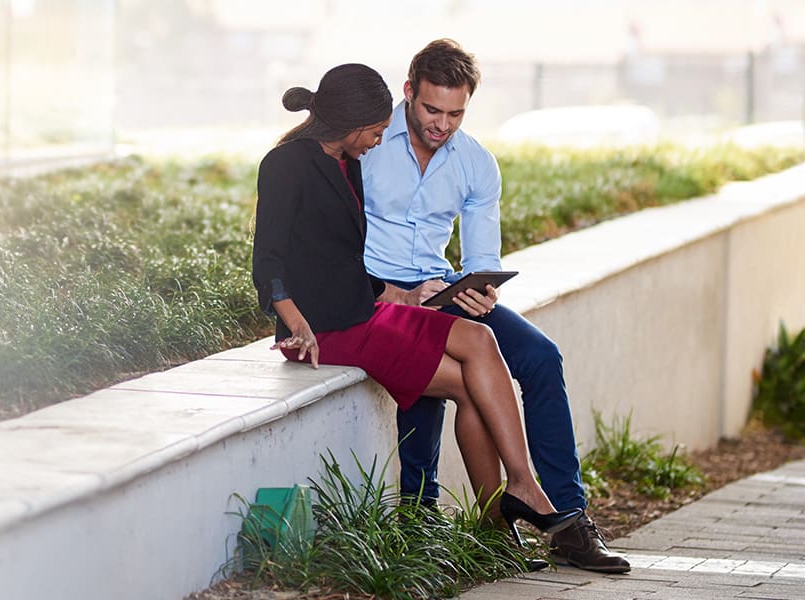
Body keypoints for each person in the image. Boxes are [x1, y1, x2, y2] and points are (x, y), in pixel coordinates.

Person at [253, 63, 581, 549]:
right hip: (324, 328)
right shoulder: (285, 163)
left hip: (364, 309)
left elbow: (340, 260)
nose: (379, 139)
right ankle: (497, 515)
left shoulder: (349, 163)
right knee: (471, 386)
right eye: (376, 130)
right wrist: (297, 323)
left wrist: (401, 295)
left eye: (456, 113)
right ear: (353, 120)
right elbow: (269, 261)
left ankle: (520, 490)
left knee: (482, 338)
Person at [359, 39, 630, 574]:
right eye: (431, 109)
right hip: (377, 291)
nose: (442, 124)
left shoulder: (476, 163)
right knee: (435, 376)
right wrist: (380, 290)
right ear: (409, 92)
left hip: (441, 287)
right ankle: (422, 515)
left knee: (541, 357)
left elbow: (483, 255)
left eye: (455, 113)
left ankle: (568, 520)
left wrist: (481, 289)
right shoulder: (367, 143)